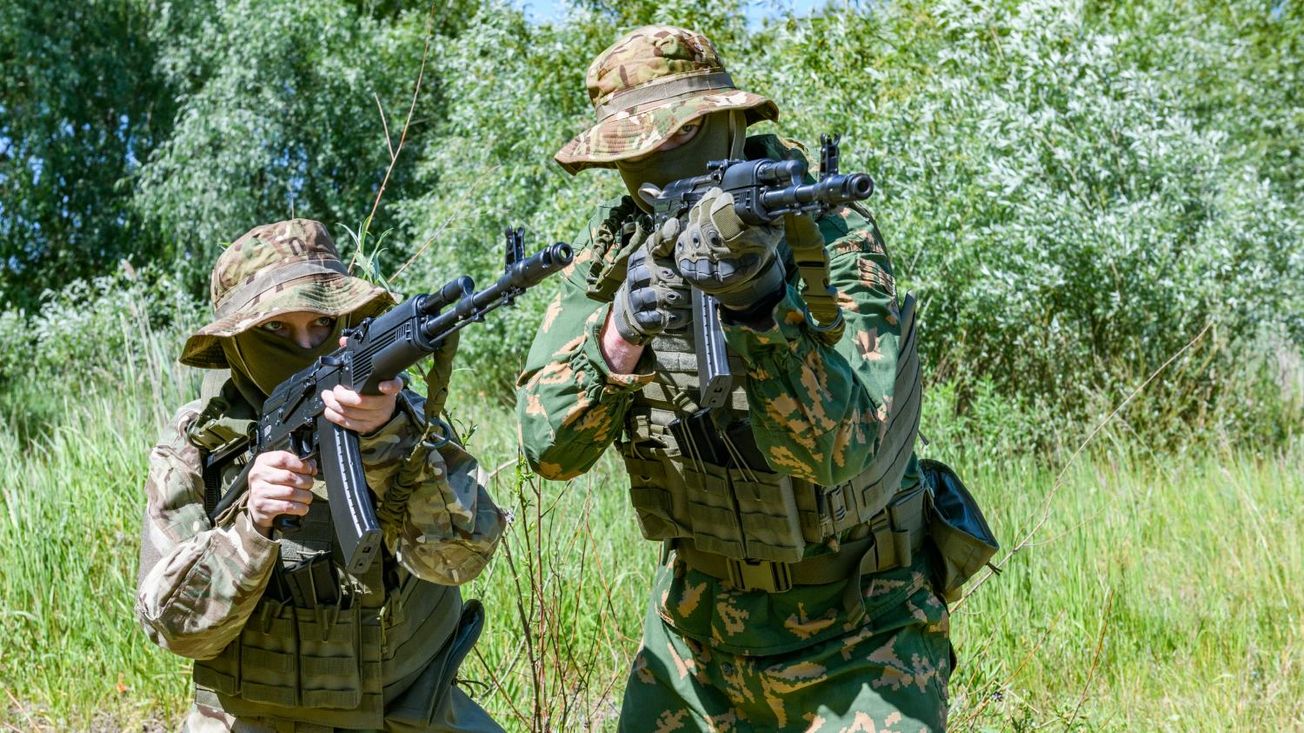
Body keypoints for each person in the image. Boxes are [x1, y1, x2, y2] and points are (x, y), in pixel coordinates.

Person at [517, 26, 970, 731]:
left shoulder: (826, 234)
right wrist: (621, 334)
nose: (657, 157)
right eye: (636, 147)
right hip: (694, 637)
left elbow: (841, 453)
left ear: (728, 122)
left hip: (861, 626)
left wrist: (760, 304)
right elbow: (548, 451)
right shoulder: (615, 257)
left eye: (679, 134)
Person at [136, 219, 507, 732]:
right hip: (254, 717)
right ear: (236, 343)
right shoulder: (198, 444)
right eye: (275, 330)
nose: (306, 346)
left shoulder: (401, 414)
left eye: (322, 323)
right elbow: (175, 630)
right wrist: (251, 528)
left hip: (409, 707)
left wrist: (387, 440)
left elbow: (461, 559)